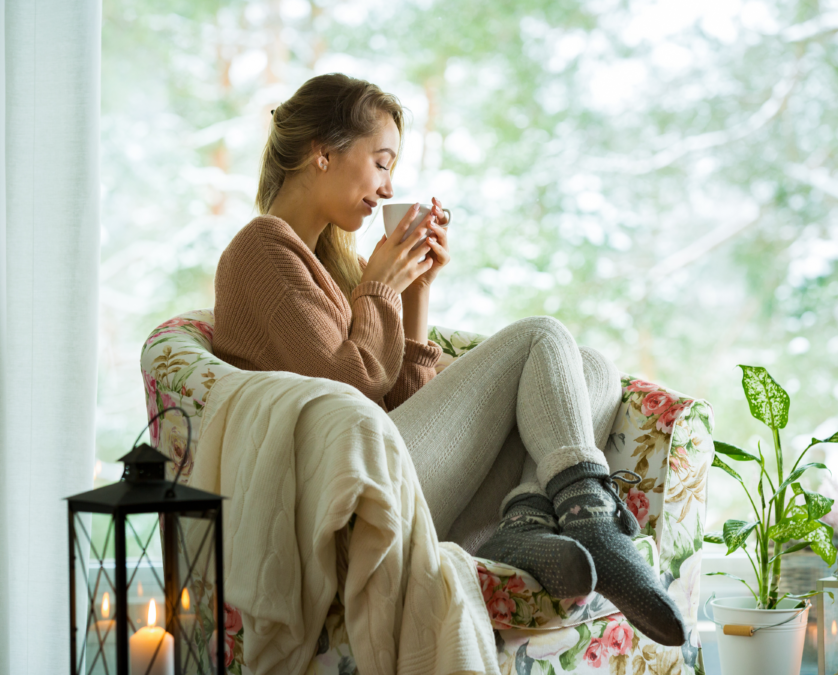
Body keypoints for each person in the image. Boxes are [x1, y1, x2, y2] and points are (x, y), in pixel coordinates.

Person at [212, 73, 684, 646]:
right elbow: (352, 394)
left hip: (395, 483)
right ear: (322, 153)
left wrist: (415, 293)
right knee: (540, 335)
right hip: (343, 513)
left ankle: (526, 523)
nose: (388, 188)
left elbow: (406, 409)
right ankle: (591, 518)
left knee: (591, 371)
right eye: (381, 162)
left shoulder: (330, 266)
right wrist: (381, 285)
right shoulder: (262, 248)